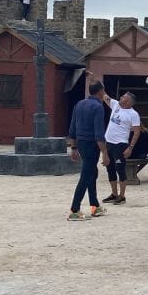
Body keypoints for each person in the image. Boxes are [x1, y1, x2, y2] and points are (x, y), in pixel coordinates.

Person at [67, 81, 110, 221]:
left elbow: (72, 128)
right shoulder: (98, 107)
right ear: (100, 92)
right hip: (92, 144)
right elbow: (99, 133)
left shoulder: (79, 104)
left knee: (92, 173)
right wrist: (105, 153)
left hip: (80, 143)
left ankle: (94, 206)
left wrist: (73, 148)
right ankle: (74, 209)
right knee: (85, 176)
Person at [100, 90, 141, 205]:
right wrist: (94, 80)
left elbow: (137, 132)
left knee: (120, 169)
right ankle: (114, 194)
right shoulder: (116, 105)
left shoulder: (133, 114)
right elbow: (104, 95)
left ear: (128, 102)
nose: (120, 98)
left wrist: (130, 147)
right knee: (110, 168)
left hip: (120, 144)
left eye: (123, 97)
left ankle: (122, 196)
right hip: (109, 142)